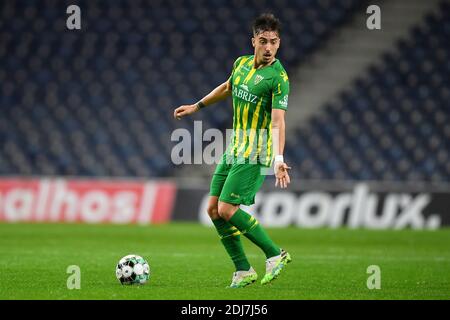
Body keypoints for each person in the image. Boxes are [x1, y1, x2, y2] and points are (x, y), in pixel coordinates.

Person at [173, 13, 291, 288]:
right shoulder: (240, 64)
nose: (268, 47)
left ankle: (275, 254)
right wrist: (197, 106)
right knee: (213, 209)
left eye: (273, 42)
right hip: (234, 148)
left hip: (256, 151)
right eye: (263, 41)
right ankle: (243, 270)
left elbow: (278, 121)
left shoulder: (278, 78)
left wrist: (278, 159)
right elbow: (228, 87)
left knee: (227, 209)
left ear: (279, 43)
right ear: (254, 41)